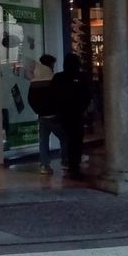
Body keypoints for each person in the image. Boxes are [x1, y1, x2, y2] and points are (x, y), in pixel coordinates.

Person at [51, 52, 92, 180]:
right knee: (76, 141)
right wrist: (82, 108)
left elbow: (54, 95)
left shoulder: (59, 77)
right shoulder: (81, 77)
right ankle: (74, 166)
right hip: (76, 114)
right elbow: (87, 95)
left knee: (68, 140)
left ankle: (70, 164)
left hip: (64, 114)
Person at [27, 54, 62, 175]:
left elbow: (30, 99)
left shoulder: (35, 81)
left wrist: (38, 111)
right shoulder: (53, 79)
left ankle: (44, 165)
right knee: (64, 138)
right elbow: (59, 97)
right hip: (54, 115)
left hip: (42, 116)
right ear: (50, 64)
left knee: (43, 141)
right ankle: (66, 161)